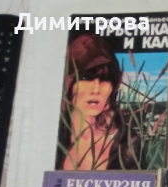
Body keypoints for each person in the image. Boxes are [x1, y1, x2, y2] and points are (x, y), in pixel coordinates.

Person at [56, 33, 141, 171]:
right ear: (68, 81)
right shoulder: (55, 135)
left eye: (105, 79)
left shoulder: (127, 141)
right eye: (86, 78)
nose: (96, 89)